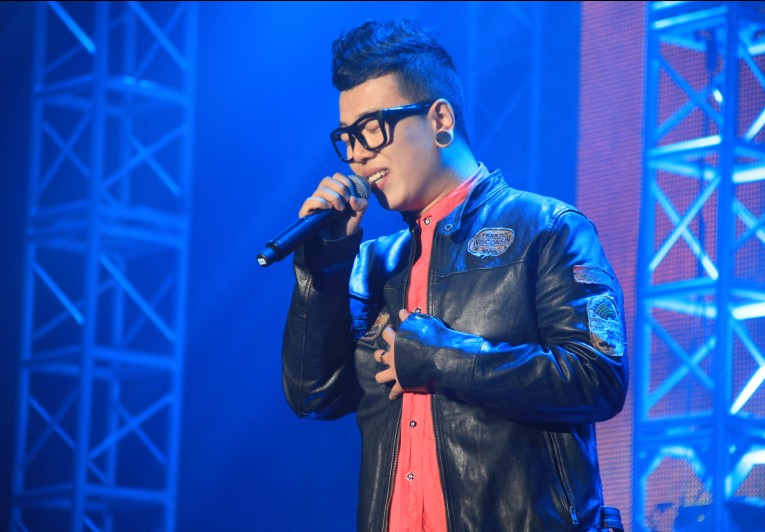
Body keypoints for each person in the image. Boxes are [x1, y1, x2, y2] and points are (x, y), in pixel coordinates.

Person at [280, 17, 627, 531]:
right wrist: (326, 265)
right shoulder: (370, 265)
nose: (356, 153)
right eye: (347, 137)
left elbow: (598, 379)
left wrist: (440, 358)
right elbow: (313, 394)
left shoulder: (548, 229)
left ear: (440, 119)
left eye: (371, 128)